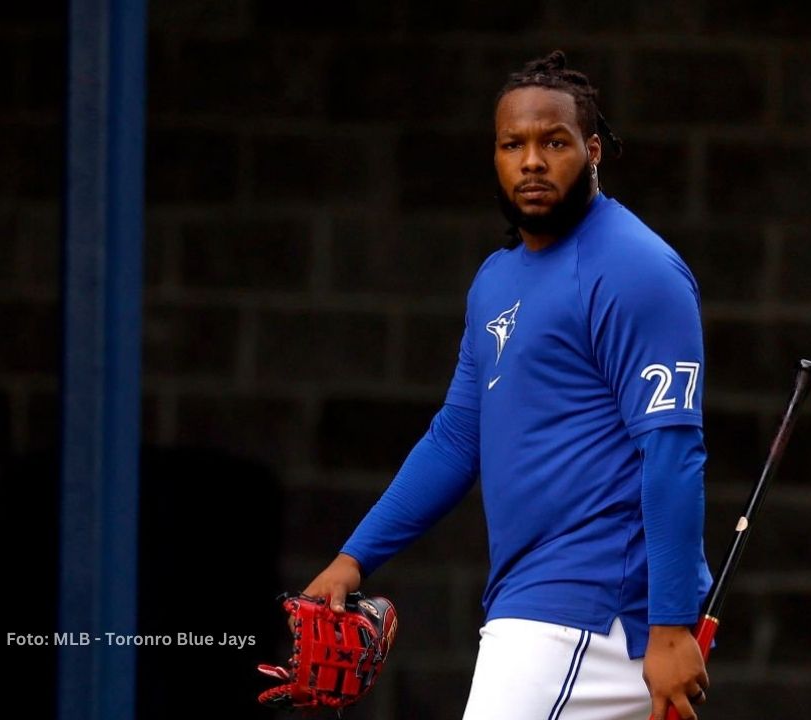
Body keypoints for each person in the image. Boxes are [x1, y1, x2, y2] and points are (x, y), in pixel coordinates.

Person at [301, 50, 713, 720]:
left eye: (554, 142)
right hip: (535, 605)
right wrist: (355, 558)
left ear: (595, 150)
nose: (531, 162)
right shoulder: (497, 279)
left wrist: (669, 627)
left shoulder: (636, 268)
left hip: (592, 610)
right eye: (512, 144)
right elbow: (457, 437)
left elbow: (672, 450)